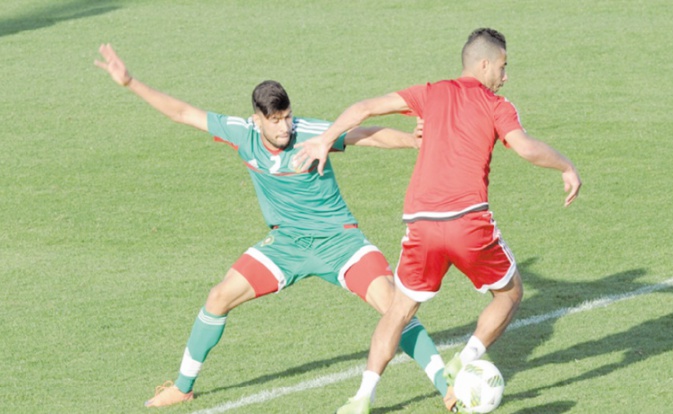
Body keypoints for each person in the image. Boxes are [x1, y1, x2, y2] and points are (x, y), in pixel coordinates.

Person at [93, 44, 457, 409]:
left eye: (287, 117)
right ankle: (183, 386)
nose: (285, 128)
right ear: (258, 120)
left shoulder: (311, 133)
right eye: (276, 120)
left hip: (339, 241)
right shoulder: (241, 134)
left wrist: (411, 141)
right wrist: (129, 82)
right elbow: (182, 112)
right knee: (219, 296)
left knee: (395, 307)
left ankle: (447, 388)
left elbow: (364, 134)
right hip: (287, 244)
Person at [293, 28, 582, 413]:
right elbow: (527, 148)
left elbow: (364, 107)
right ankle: (463, 360)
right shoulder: (498, 105)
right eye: (503, 66)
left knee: (399, 310)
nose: (505, 76)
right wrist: (567, 166)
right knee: (510, 293)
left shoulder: (430, 92)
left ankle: (362, 397)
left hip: (421, 222)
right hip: (467, 221)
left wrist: (324, 140)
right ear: (484, 64)